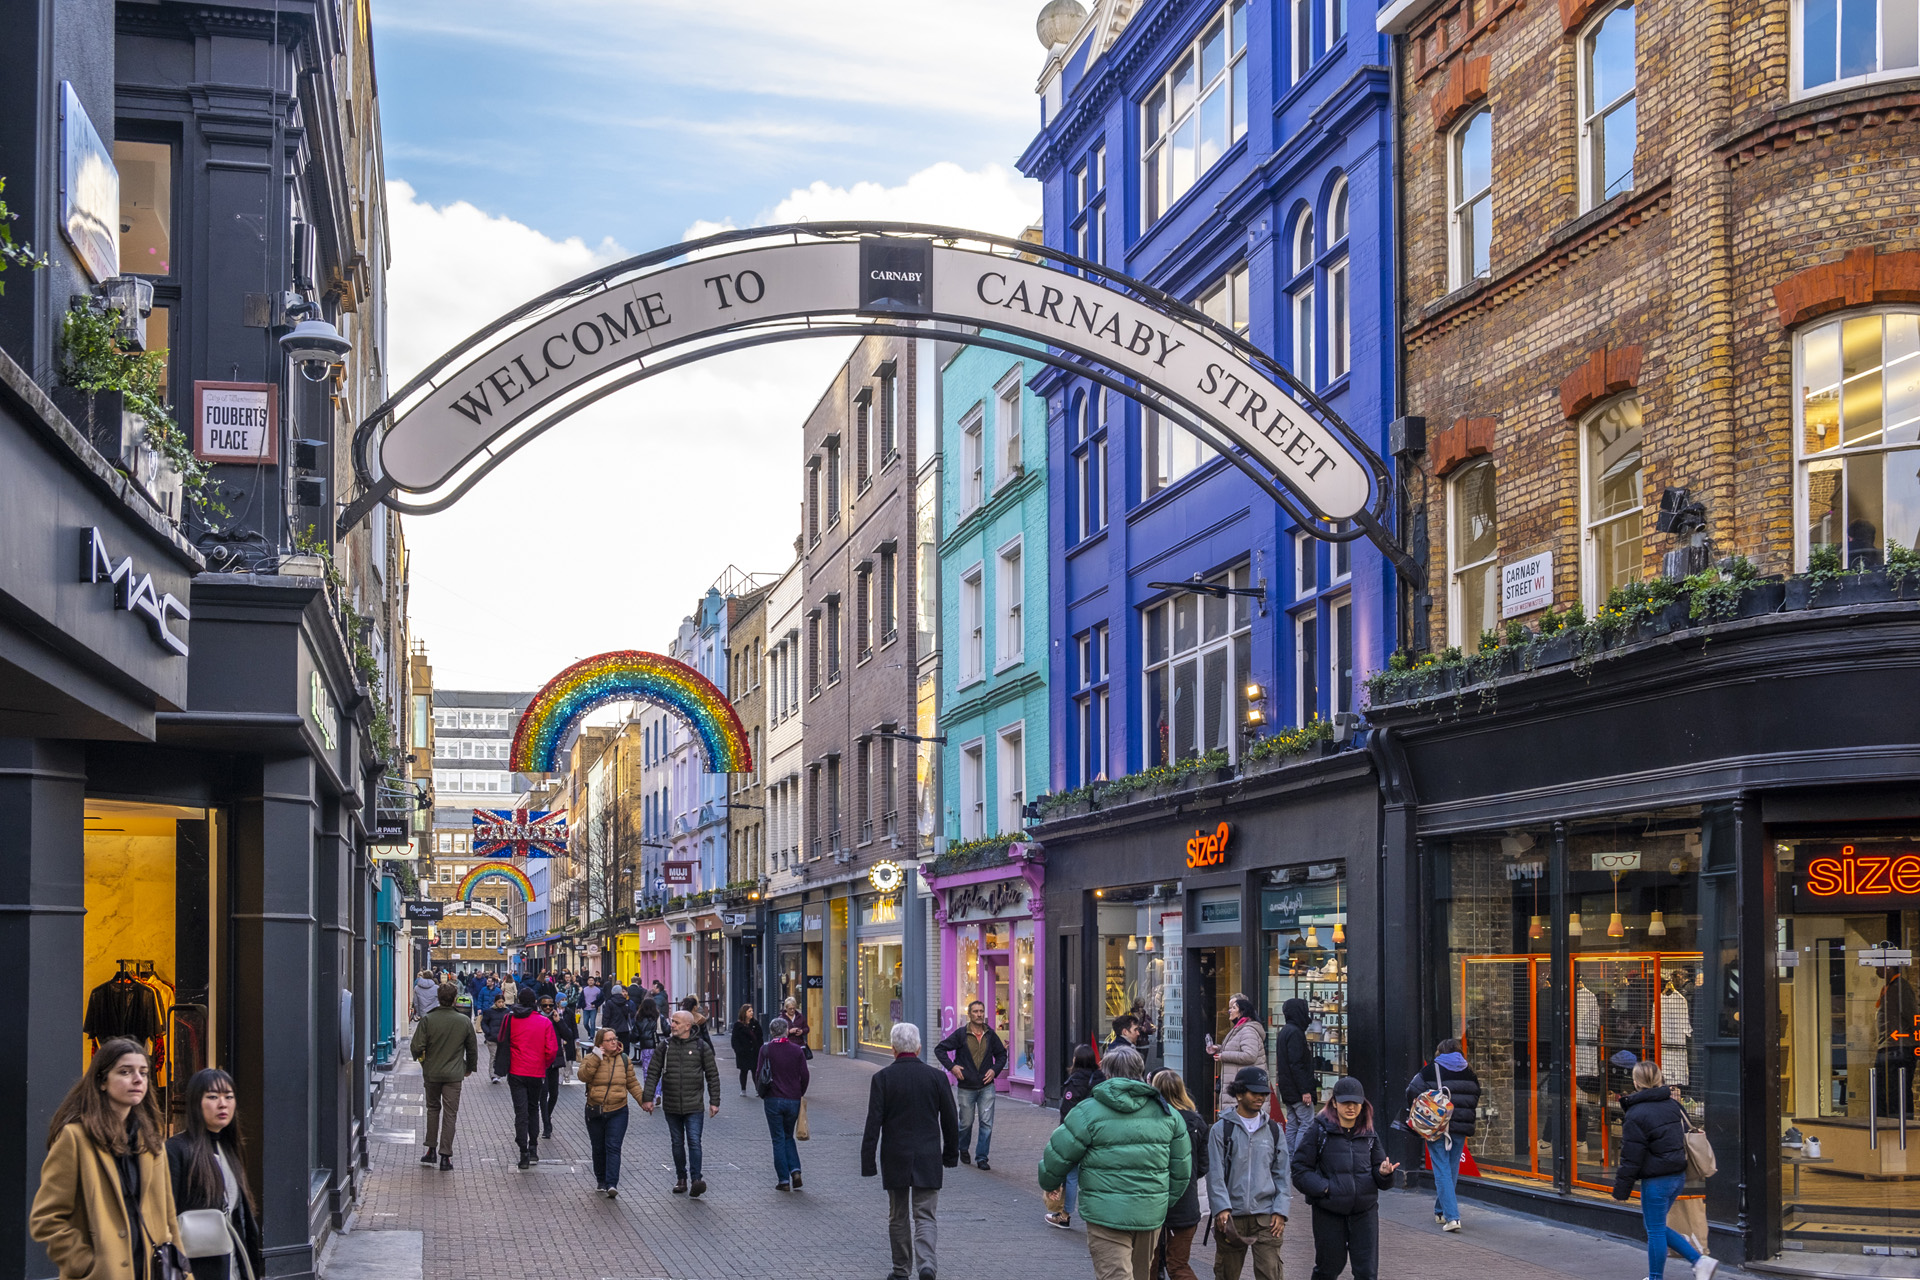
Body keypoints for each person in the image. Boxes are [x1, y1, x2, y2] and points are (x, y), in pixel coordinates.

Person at [31, 1038, 182, 1280]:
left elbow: (168, 1217)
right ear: (102, 1081)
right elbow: (47, 1218)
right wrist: (85, 1263)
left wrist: (183, 1272)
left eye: (143, 1072)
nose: (138, 1079)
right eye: (125, 1072)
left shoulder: (151, 1141)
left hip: (152, 1271)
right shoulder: (75, 1138)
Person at [1038, 1046, 1193, 1280]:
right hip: (1149, 1213)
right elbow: (1181, 1171)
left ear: (1106, 1073)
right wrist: (1159, 1201)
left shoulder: (1088, 1112)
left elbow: (1057, 1154)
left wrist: (1050, 1183)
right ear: (1141, 1070)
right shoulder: (1168, 1114)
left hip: (1105, 1213)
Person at [861, 1023, 959, 1280]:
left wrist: (868, 1162)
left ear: (892, 1050)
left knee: (898, 1215)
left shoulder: (882, 1079)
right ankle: (927, 1265)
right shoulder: (936, 1078)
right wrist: (950, 1155)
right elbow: (950, 1120)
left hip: (896, 1155)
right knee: (925, 1214)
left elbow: (873, 1123)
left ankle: (901, 1270)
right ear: (918, 1048)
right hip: (927, 1155)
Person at [1613, 1060, 1718, 1280]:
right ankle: (1700, 1261)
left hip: (1656, 1181)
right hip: (1677, 1176)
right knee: (1657, 1226)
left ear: (1635, 1082)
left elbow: (1631, 1157)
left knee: (1655, 1230)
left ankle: (1657, 1276)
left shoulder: (1636, 1114)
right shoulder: (1672, 1105)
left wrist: (1621, 1190)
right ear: (1659, 1079)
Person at [1290, 1076, 1397, 1280]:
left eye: (1356, 1103)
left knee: (1366, 1272)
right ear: (1334, 1103)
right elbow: (1299, 1169)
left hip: (1364, 1212)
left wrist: (1384, 1173)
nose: (1351, 1107)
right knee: (1329, 1269)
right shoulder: (1318, 1130)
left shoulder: (1369, 1132)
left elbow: (1379, 1171)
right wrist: (1325, 1189)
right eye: (1346, 1102)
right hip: (1330, 1212)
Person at [165, 1069, 265, 1280]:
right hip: (196, 1268)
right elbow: (165, 1217)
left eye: (229, 1097)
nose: (223, 1104)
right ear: (195, 1102)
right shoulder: (176, 1150)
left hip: (235, 1264)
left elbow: (240, 1218)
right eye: (212, 1097)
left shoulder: (230, 1147)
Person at [1209, 1067, 1289, 1280]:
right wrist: (1221, 1208)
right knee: (1227, 1274)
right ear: (1239, 1093)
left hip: (1266, 1217)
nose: (1260, 1098)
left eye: (1264, 1093)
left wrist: (1281, 1210)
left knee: (1271, 1273)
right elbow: (1215, 1174)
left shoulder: (1274, 1130)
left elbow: (1282, 1173)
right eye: (1255, 1093)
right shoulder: (1221, 1130)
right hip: (1231, 1216)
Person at [643, 1009, 722, 1196]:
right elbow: (653, 1072)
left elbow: (712, 1075)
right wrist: (648, 1098)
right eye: (672, 1021)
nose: (672, 1025)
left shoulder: (701, 1047)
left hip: (694, 1105)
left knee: (694, 1141)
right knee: (677, 1143)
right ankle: (681, 1178)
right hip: (671, 1104)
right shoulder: (665, 1046)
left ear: (688, 1026)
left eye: (677, 1022)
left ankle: (696, 1179)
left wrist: (714, 1101)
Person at [1403, 1038, 1480, 1232]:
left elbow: (1411, 1090)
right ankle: (1440, 1210)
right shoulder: (1469, 1072)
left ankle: (1453, 1217)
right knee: (1451, 1168)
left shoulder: (1431, 1070)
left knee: (1442, 1169)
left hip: (1436, 1126)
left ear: (1440, 1052)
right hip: (1461, 1127)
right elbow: (1476, 1095)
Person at [934, 999, 1009, 1170]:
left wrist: (994, 1070)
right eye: (975, 1011)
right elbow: (940, 1049)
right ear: (969, 1014)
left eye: (981, 1011)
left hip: (986, 1086)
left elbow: (1001, 1055)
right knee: (966, 1123)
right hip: (966, 1087)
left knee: (986, 1123)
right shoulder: (961, 1034)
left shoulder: (990, 1034)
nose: (979, 1014)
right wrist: (952, 1067)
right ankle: (963, 1148)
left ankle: (982, 1158)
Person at [412, 981, 478, 1170]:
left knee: (433, 1109)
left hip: (432, 1073)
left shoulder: (428, 1020)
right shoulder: (463, 1021)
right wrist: (469, 1068)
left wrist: (424, 1062)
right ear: (455, 999)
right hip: (454, 1074)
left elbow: (416, 1046)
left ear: (438, 998)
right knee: (450, 1114)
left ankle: (430, 1150)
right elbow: (472, 1049)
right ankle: (445, 1156)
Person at [1152, 1071, 1209, 1280]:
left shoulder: (1152, 1121)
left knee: (1150, 1263)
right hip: (1186, 1202)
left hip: (1153, 1201)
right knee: (1178, 1264)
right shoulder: (1197, 1122)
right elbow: (1203, 1166)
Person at [578, 1027, 647, 1197]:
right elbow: (583, 1076)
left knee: (613, 1147)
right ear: (600, 1043)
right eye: (609, 1040)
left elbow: (632, 1083)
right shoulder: (590, 1058)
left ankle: (611, 1184)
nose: (614, 1042)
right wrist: (596, 1057)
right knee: (598, 1147)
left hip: (618, 1110)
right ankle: (601, 1180)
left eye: (614, 1038)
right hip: (595, 1110)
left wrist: (643, 1101)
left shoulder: (624, 1059)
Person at [496, 988, 560, 1169]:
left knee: (520, 1112)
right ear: (535, 1003)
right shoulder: (544, 1022)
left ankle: (523, 1151)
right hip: (536, 1072)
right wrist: (543, 1064)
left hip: (516, 1071)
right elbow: (552, 1050)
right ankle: (533, 1148)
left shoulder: (510, 1018)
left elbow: (501, 1039)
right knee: (534, 1109)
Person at [1046, 1043, 1105, 1228]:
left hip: (1077, 1134)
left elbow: (1067, 1113)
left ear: (1076, 1060)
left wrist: (1062, 1135)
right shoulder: (1101, 1079)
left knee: (1071, 1176)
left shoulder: (1075, 1081)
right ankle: (1099, 1216)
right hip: (1097, 1132)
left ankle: (1064, 1215)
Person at [758, 1016, 810, 1190]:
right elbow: (805, 1075)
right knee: (788, 1136)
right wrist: (799, 1093)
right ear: (787, 1030)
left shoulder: (765, 1049)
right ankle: (795, 1171)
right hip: (792, 1100)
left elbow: (759, 1074)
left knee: (778, 1139)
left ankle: (784, 1180)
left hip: (773, 1099)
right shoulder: (796, 1050)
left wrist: (762, 1093)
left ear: (772, 1032)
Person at [1271, 998, 1317, 1153]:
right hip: (1298, 1089)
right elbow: (1296, 1064)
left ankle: (1290, 1160)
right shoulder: (1296, 1033)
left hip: (1287, 1088)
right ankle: (1299, 1159)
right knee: (1306, 1123)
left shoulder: (1285, 1031)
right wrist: (1305, 1090)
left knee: (1292, 1124)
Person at [1208, 994, 1265, 1116]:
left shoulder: (1247, 1030)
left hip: (1243, 1087)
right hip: (1238, 1085)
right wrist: (1218, 1048)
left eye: (1233, 1007)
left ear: (1241, 1012)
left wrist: (1224, 1056)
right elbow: (1237, 1047)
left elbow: (1250, 1055)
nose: (1229, 1010)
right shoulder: (1240, 1028)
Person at [539, 996, 573, 1139]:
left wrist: (559, 1022)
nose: (547, 1008)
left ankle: (548, 1116)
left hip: (555, 1061)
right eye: (544, 1006)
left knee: (554, 1094)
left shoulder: (556, 1019)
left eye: (550, 1005)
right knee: (543, 1093)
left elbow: (568, 1035)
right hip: (540, 1062)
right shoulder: (537, 1019)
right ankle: (546, 1124)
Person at [731, 1004, 765, 1095]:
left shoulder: (755, 1024)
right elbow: (734, 1039)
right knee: (743, 1071)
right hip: (743, 1053)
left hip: (754, 1052)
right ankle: (743, 1089)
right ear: (744, 1013)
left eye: (752, 1011)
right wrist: (738, 1050)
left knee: (755, 1071)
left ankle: (758, 1089)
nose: (752, 1013)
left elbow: (760, 1037)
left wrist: (759, 1047)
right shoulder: (738, 1025)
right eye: (749, 1011)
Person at [480, 994, 510, 1084]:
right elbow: (484, 1023)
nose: (501, 1004)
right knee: (494, 1056)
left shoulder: (507, 1011)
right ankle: (493, 1075)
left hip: (503, 1039)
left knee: (503, 1057)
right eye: (499, 1002)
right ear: (495, 1002)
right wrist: (488, 1032)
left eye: (502, 1002)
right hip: (492, 1038)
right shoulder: (490, 1011)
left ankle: (499, 1073)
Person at [601, 985, 637, 1049]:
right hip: (624, 1029)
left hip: (612, 1028)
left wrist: (604, 1027)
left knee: (613, 1047)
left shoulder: (610, 1002)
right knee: (624, 1048)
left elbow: (606, 1016)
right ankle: (623, 1059)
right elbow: (628, 1014)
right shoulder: (625, 1002)